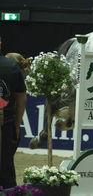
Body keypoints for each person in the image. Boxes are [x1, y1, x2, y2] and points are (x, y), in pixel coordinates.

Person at [0, 36, 27, 189]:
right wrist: (17, 125)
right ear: (1, 44)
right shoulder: (12, 66)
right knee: (6, 167)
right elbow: (22, 100)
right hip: (7, 123)